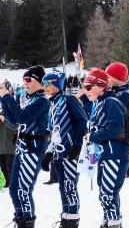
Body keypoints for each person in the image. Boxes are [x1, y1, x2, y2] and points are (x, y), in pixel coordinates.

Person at [0, 65, 50, 228]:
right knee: (14, 190)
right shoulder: (30, 98)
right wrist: (3, 98)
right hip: (22, 149)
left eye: (28, 80)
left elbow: (22, 117)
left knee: (23, 191)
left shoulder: (42, 100)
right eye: (24, 80)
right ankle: (21, 219)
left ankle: (28, 222)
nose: (25, 83)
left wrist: (7, 97)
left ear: (39, 82)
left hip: (33, 150)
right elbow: (13, 119)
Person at [83, 69, 129, 228]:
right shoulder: (101, 103)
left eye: (89, 87)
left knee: (108, 193)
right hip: (107, 153)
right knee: (106, 192)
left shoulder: (111, 102)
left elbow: (116, 127)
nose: (86, 91)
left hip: (115, 153)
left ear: (101, 86)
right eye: (84, 87)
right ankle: (110, 220)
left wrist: (93, 136)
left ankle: (113, 222)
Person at [40, 71, 88, 228]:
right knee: (63, 187)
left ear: (56, 84)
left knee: (70, 186)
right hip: (58, 152)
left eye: (47, 84)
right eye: (43, 84)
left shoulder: (68, 99)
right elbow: (52, 131)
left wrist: (78, 144)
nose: (44, 87)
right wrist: (48, 153)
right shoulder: (53, 103)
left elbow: (83, 121)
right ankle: (66, 219)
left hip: (70, 151)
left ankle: (73, 221)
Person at [105, 62, 129, 178]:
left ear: (117, 77)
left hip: (123, 131)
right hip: (119, 131)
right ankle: (127, 170)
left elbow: (118, 113)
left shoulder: (125, 94)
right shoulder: (117, 91)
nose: (107, 80)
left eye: (109, 77)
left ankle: (127, 170)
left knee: (123, 150)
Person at [0, 108, 16, 188]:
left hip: (10, 147)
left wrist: (4, 120)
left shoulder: (14, 115)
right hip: (1, 147)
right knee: (3, 167)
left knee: (11, 166)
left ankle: (13, 183)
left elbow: (14, 127)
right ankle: (6, 183)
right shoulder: (1, 115)